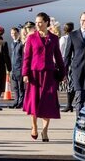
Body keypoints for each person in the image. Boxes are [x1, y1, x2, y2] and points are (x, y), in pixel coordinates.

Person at [22, 12, 65, 142]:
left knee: (48, 102)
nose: (38, 24)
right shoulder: (31, 38)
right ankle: (34, 127)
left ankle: (45, 131)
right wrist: (25, 74)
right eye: (36, 22)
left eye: (40, 22)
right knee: (34, 101)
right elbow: (27, 57)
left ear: (46, 22)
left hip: (49, 74)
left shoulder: (54, 38)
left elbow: (58, 57)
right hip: (34, 74)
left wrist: (63, 73)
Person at [59, 22, 75, 112]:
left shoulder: (64, 38)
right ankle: (70, 104)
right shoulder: (74, 37)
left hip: (66, 62)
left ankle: (69, 105)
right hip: (72, 61)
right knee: (71, 84)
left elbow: (61, 51)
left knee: (68, 84)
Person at [9, 27, 24, 109]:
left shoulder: (21, 44)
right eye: (12, 33)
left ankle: (21, 102)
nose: (13, 35)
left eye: (15, 33)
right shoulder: (12, 44)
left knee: (21, 87)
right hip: (13, 69)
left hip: (20, 68)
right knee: (15, 88)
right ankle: (16, 101)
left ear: (18, 33)